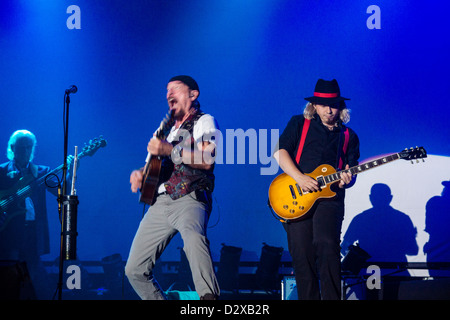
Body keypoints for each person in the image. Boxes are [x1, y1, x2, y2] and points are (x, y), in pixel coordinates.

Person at [125, 75, 220, 300]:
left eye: (175, 89)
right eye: (167, 90)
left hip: (189, 197)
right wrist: (140, 174)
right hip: (159, 203)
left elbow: (207, 160)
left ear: (193, 94)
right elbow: (152, 165)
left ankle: (209, 300)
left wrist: (170, 150)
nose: (169, 94)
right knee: (134, 270)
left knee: (194, 240)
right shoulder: (163, 128)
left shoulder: (205, 120)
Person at [273, 79, 360, 300]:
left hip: (330, 199)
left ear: (340, 107)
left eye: (333, 104)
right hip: (297, 195)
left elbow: (350, 172)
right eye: (323, 104)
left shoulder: (349, 136)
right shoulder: (298, 124)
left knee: (327, 245)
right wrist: (299, 178)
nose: (329, 109)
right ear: (314, 106)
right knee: (301, 255)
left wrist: (347, 180)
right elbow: (280, 154)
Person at [0, 129, 74, 299]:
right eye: (22, 147)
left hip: (32, 232)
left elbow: (62, 194)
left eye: (29, 147)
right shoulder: (1, 172)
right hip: (9, 233)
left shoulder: (41, 171)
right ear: (13, 147)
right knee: (10, 279)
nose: (26, 151)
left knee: (36, 279)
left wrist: (69, 173)